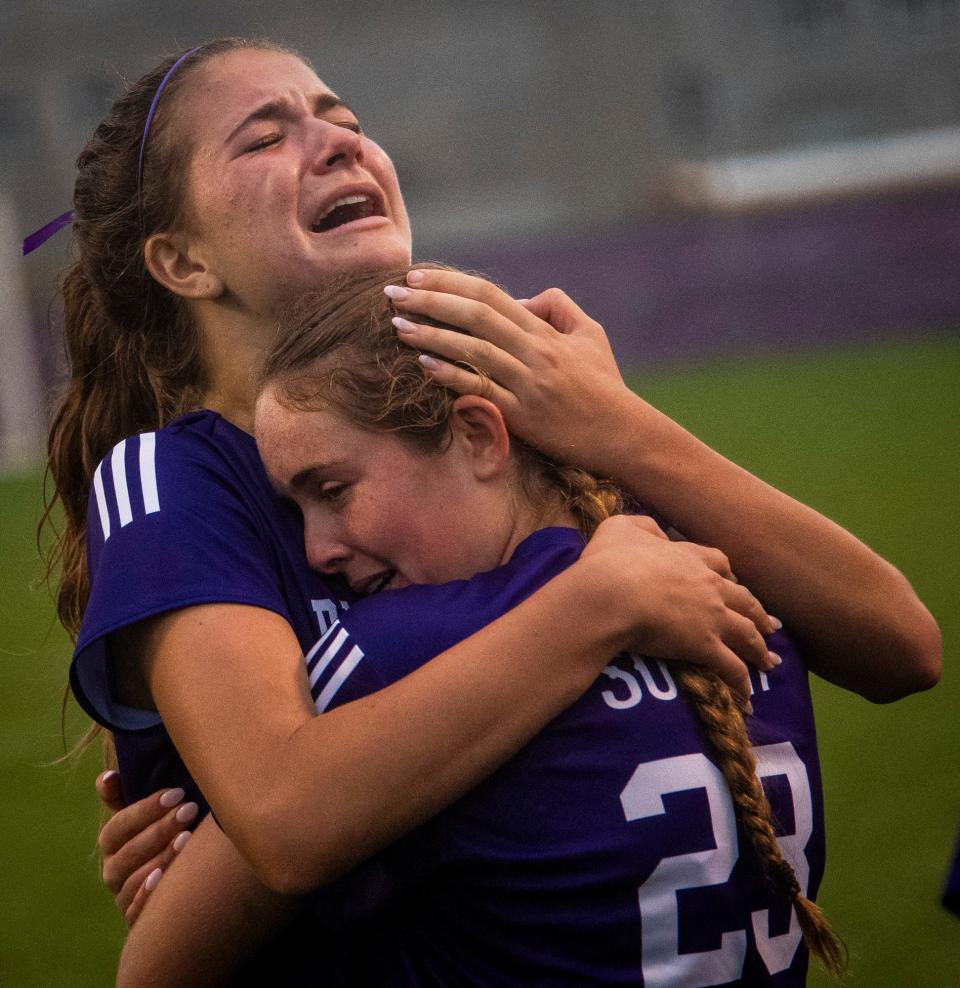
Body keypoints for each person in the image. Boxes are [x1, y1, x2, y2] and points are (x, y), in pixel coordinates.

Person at [45, 35, 938, 974]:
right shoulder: (179, 481)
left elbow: (900, 646)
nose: (339, 144)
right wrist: (593, 608)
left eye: (345, 122)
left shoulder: (516, 399)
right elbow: (282, 820)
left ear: (477, 438)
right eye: (264, 140)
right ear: (182, 261)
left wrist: (616, 423)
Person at [115, 264, 844, 985]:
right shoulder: (737, 595)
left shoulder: (399, 651)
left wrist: (184, 866)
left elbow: (158, 968)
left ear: (477, 434)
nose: (317, 550)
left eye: (333, 490)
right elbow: (908, 649)